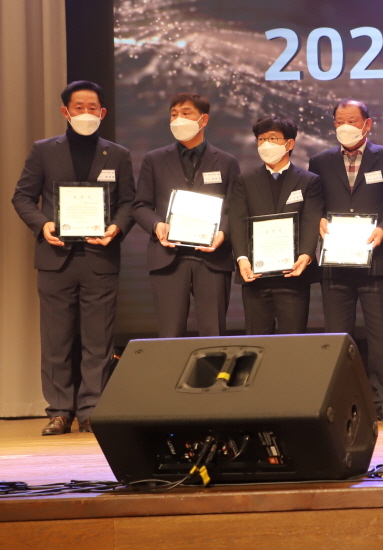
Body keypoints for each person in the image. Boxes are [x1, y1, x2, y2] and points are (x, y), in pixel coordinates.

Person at [11, 81, 135, 435]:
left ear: (102, 112)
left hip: (100, 257)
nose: (85, 113)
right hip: (56, 257)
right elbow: (22, 197)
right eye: (78, 107)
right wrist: (43, 224)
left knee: (99, 340)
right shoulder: (43, 151)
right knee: (56, 340)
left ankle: (92, 409)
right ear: (65, 111)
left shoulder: (118, 154)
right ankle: (60, 411)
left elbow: (129, 202)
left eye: (92, 107)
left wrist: (115, 228)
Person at [307, 99, 383, 422]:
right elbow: (314, 202)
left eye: (351, 120)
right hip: (335, 263)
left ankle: (382, 402)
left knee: (382, 337)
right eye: (339, 121)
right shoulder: (320, 161)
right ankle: (342, 402)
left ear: (367, 124)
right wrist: (317, 219)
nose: (345, 126)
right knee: (337, 338)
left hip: (376, 260)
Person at [132, 92, 241, 337]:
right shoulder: (154, 160)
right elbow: (141, 205)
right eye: (174, 115)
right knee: (170, 334)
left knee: (214, 333)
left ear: (204, 120)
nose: (178, 119)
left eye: (186, 113)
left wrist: (223, 233)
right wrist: (157, 225)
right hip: (168, 257)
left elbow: (235, 209)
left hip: (213, 258)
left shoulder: (226, 161)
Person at [228, 115, 322, 335]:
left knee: (293, 341)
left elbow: (311, 220)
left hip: (293, 275)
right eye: (261, 139)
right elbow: (238, 221)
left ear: (289, 143)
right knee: (257, 341)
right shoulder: (245, 181)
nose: (266, 144)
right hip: (255, 275)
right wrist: (241, 258)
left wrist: (306, 255)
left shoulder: (309, 181)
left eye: (273, 138)